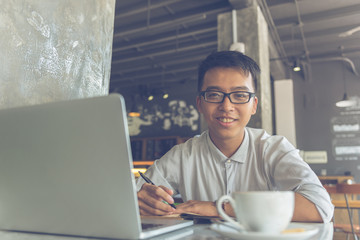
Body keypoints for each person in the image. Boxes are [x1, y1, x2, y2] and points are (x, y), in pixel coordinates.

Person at [136, 51, 334, 223]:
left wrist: (220, 208)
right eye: (214, 94)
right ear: (200, 104)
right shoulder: (182, 155)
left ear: (254, 105)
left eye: (240, 95)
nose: (227, 106)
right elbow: (132, 197)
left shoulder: (273, 149)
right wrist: (143, 200)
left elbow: (320, 205)